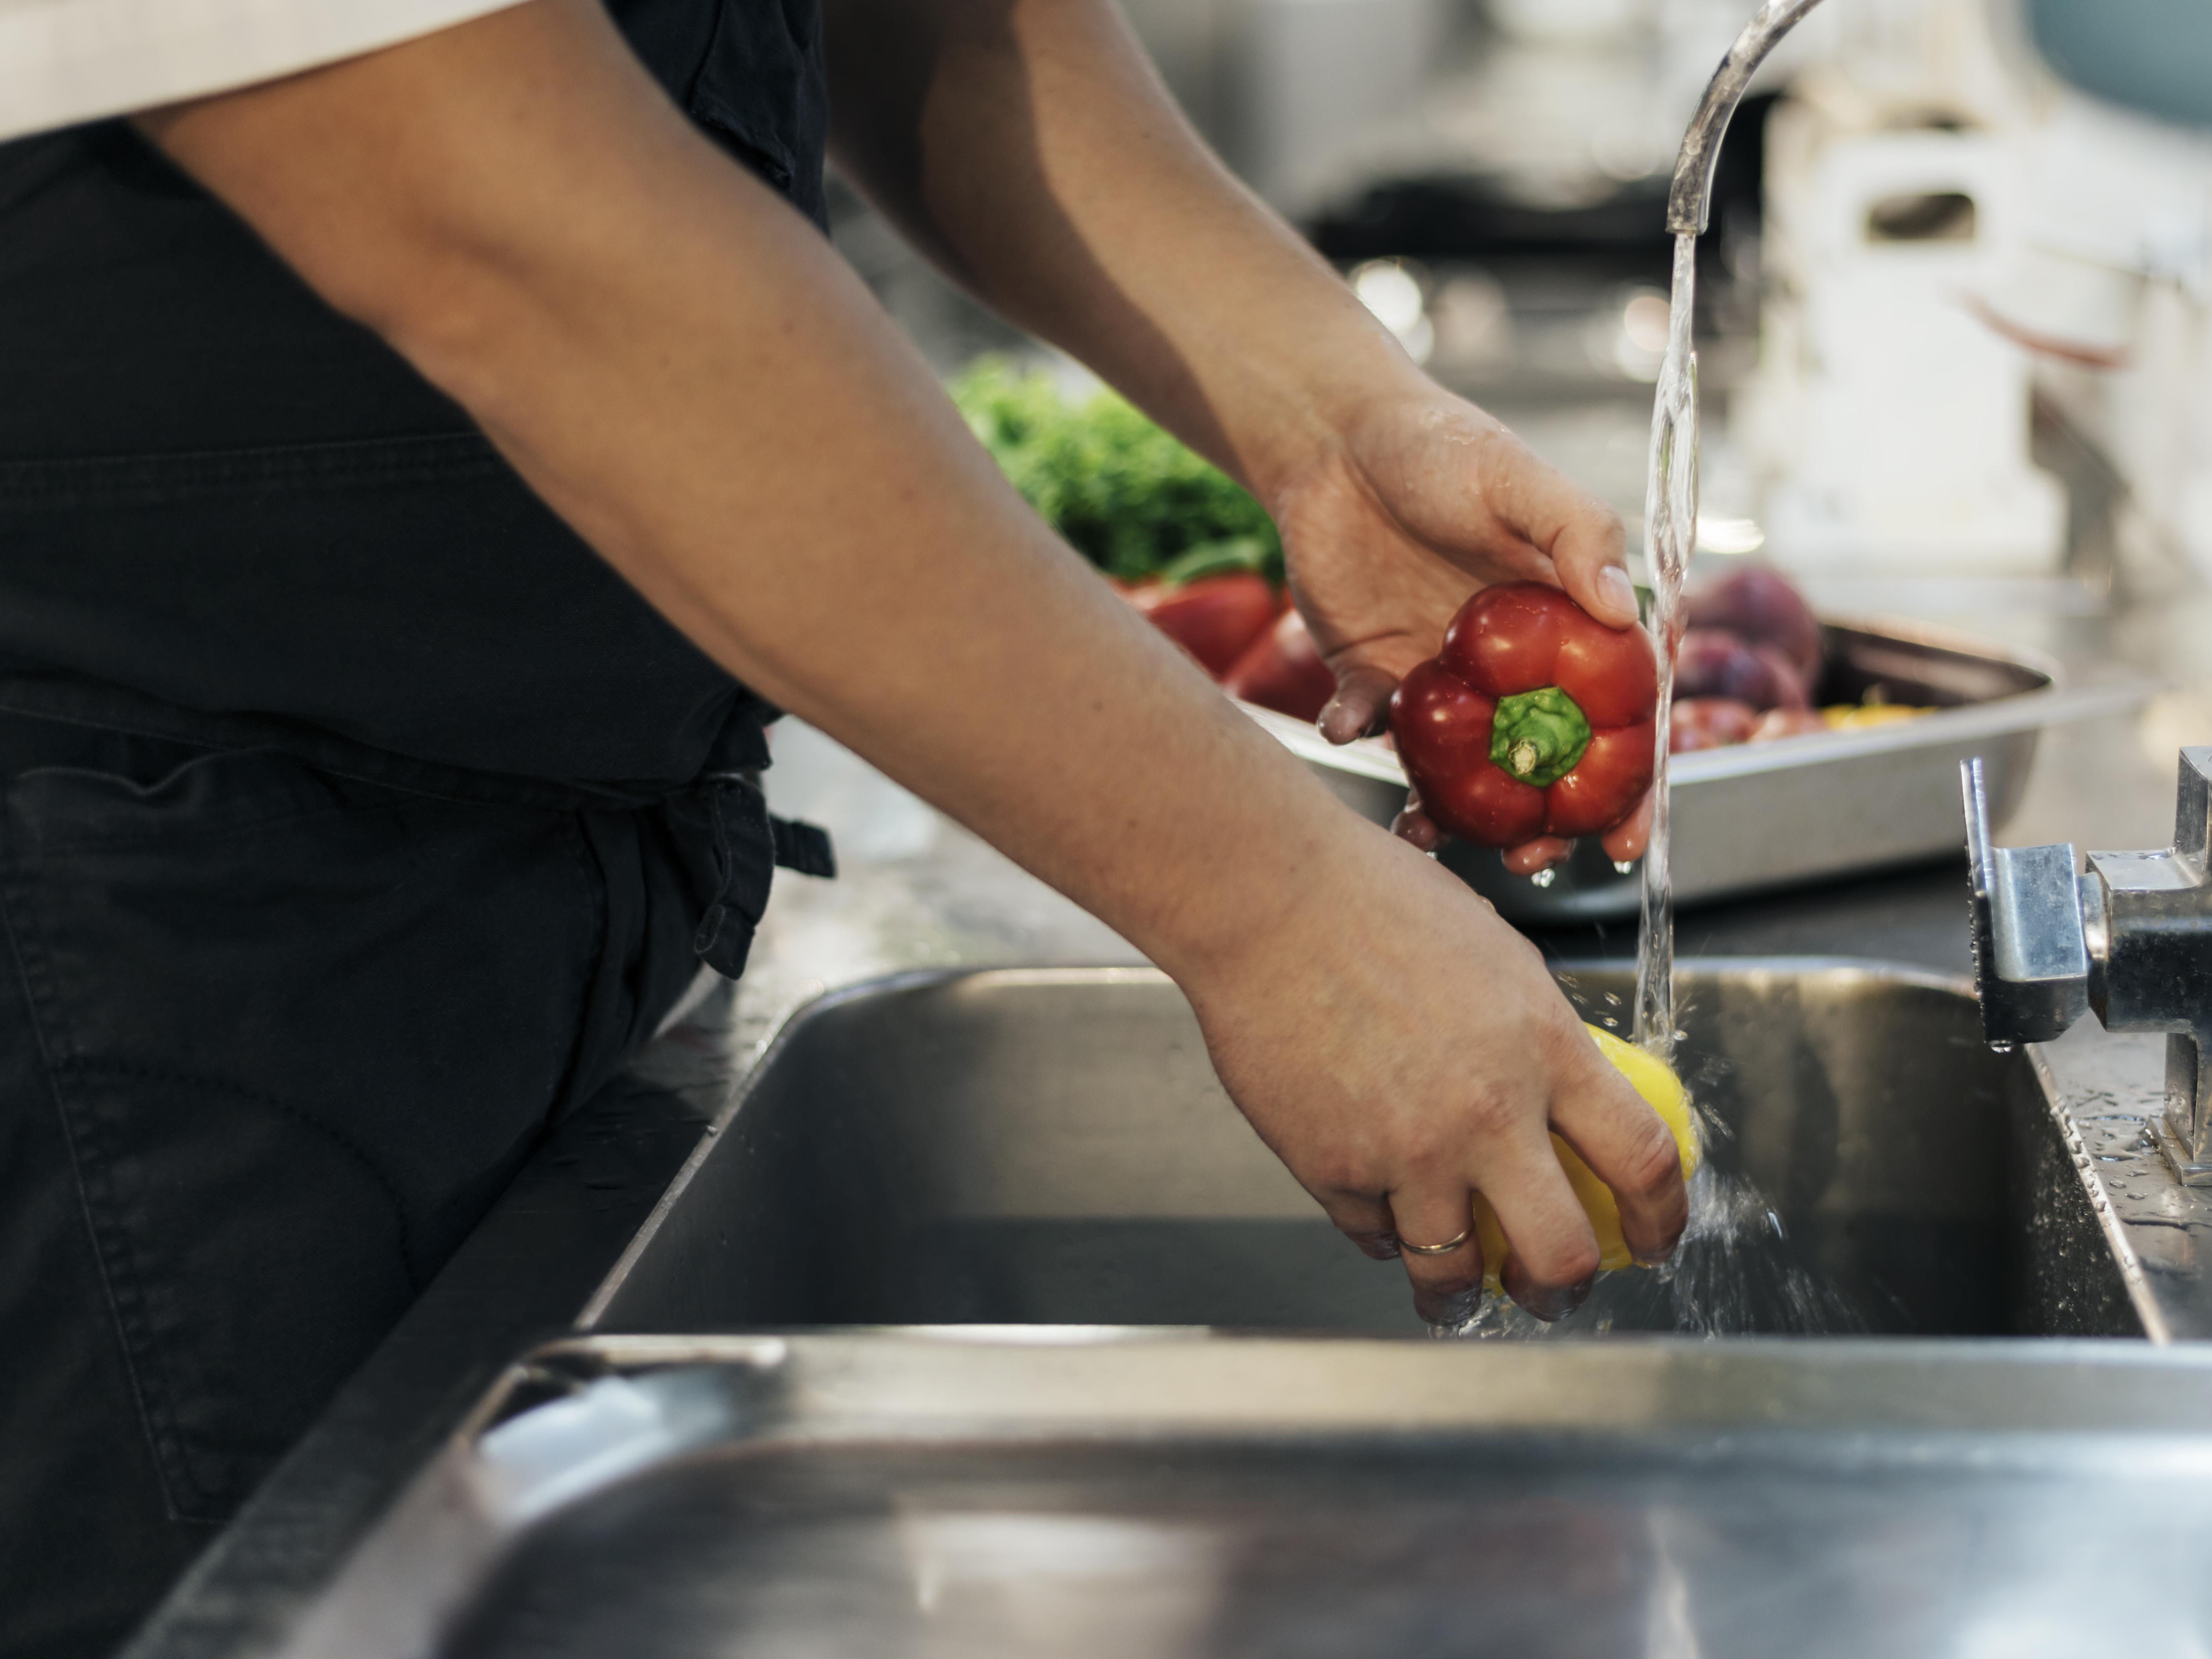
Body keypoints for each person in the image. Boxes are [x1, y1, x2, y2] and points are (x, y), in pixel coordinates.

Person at [0, 2, 1687, 1650]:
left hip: (486, 882)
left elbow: (925, 24)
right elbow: (505, 221)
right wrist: (1278, 910)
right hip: (120, 951)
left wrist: (1331, 426)